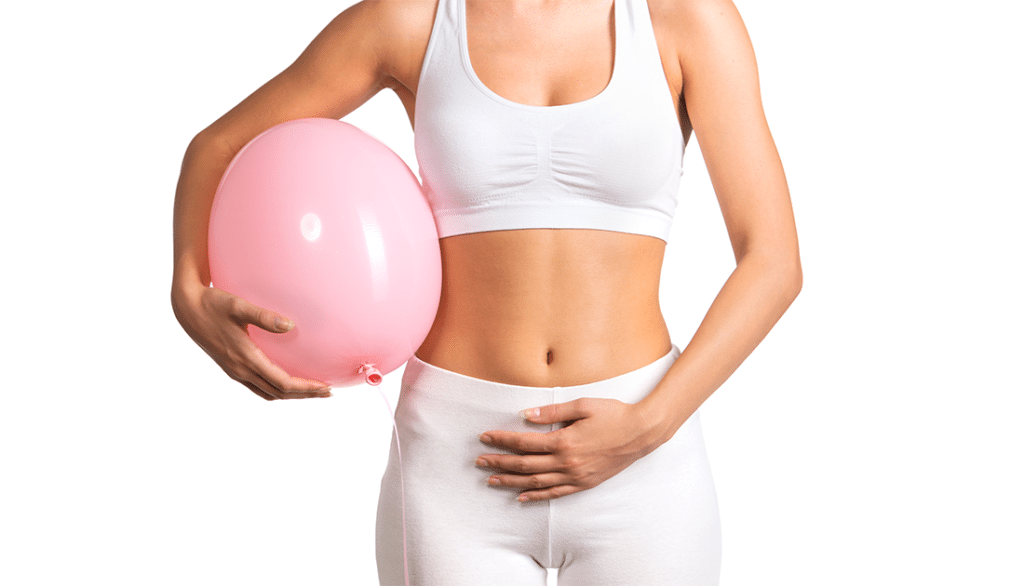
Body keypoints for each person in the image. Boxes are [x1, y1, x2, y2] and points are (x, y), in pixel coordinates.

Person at [171, 0, 801, 584]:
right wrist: (188, 294)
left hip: (643, 454)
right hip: (457, 459)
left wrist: (647, 426)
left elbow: (772, 260)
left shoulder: (685, 18)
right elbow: (218, 147)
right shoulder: (409, 19)